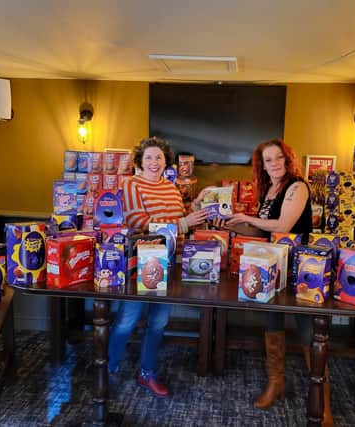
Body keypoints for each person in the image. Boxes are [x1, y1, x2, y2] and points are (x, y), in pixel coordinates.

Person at [198, 138, 332, 424]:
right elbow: (261, 233)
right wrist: (232, 223)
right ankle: (276, 383)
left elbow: (283, 226)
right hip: (272, 264)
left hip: (301, 268)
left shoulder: (298, 186)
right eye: (268, 159)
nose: (274, 163)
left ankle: (323, 406)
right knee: (272, 322)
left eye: (278, 157)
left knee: (309, 332)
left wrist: (247, 216)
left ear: (287, 159)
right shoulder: (270, 190)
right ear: (262, 164)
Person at [108, 137, 207, 397]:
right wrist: (184, 222)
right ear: (140, 161)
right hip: (142, 259)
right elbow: (139, 221)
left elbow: (177, 221)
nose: (154, 162)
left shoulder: (172, 188)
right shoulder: (130, 184)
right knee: (127, 320)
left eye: (159, 158)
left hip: (169, 260)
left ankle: (147, 373)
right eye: (149, 157)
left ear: (166, 162)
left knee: (159, 322)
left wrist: (195, 210)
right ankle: (108, 367)